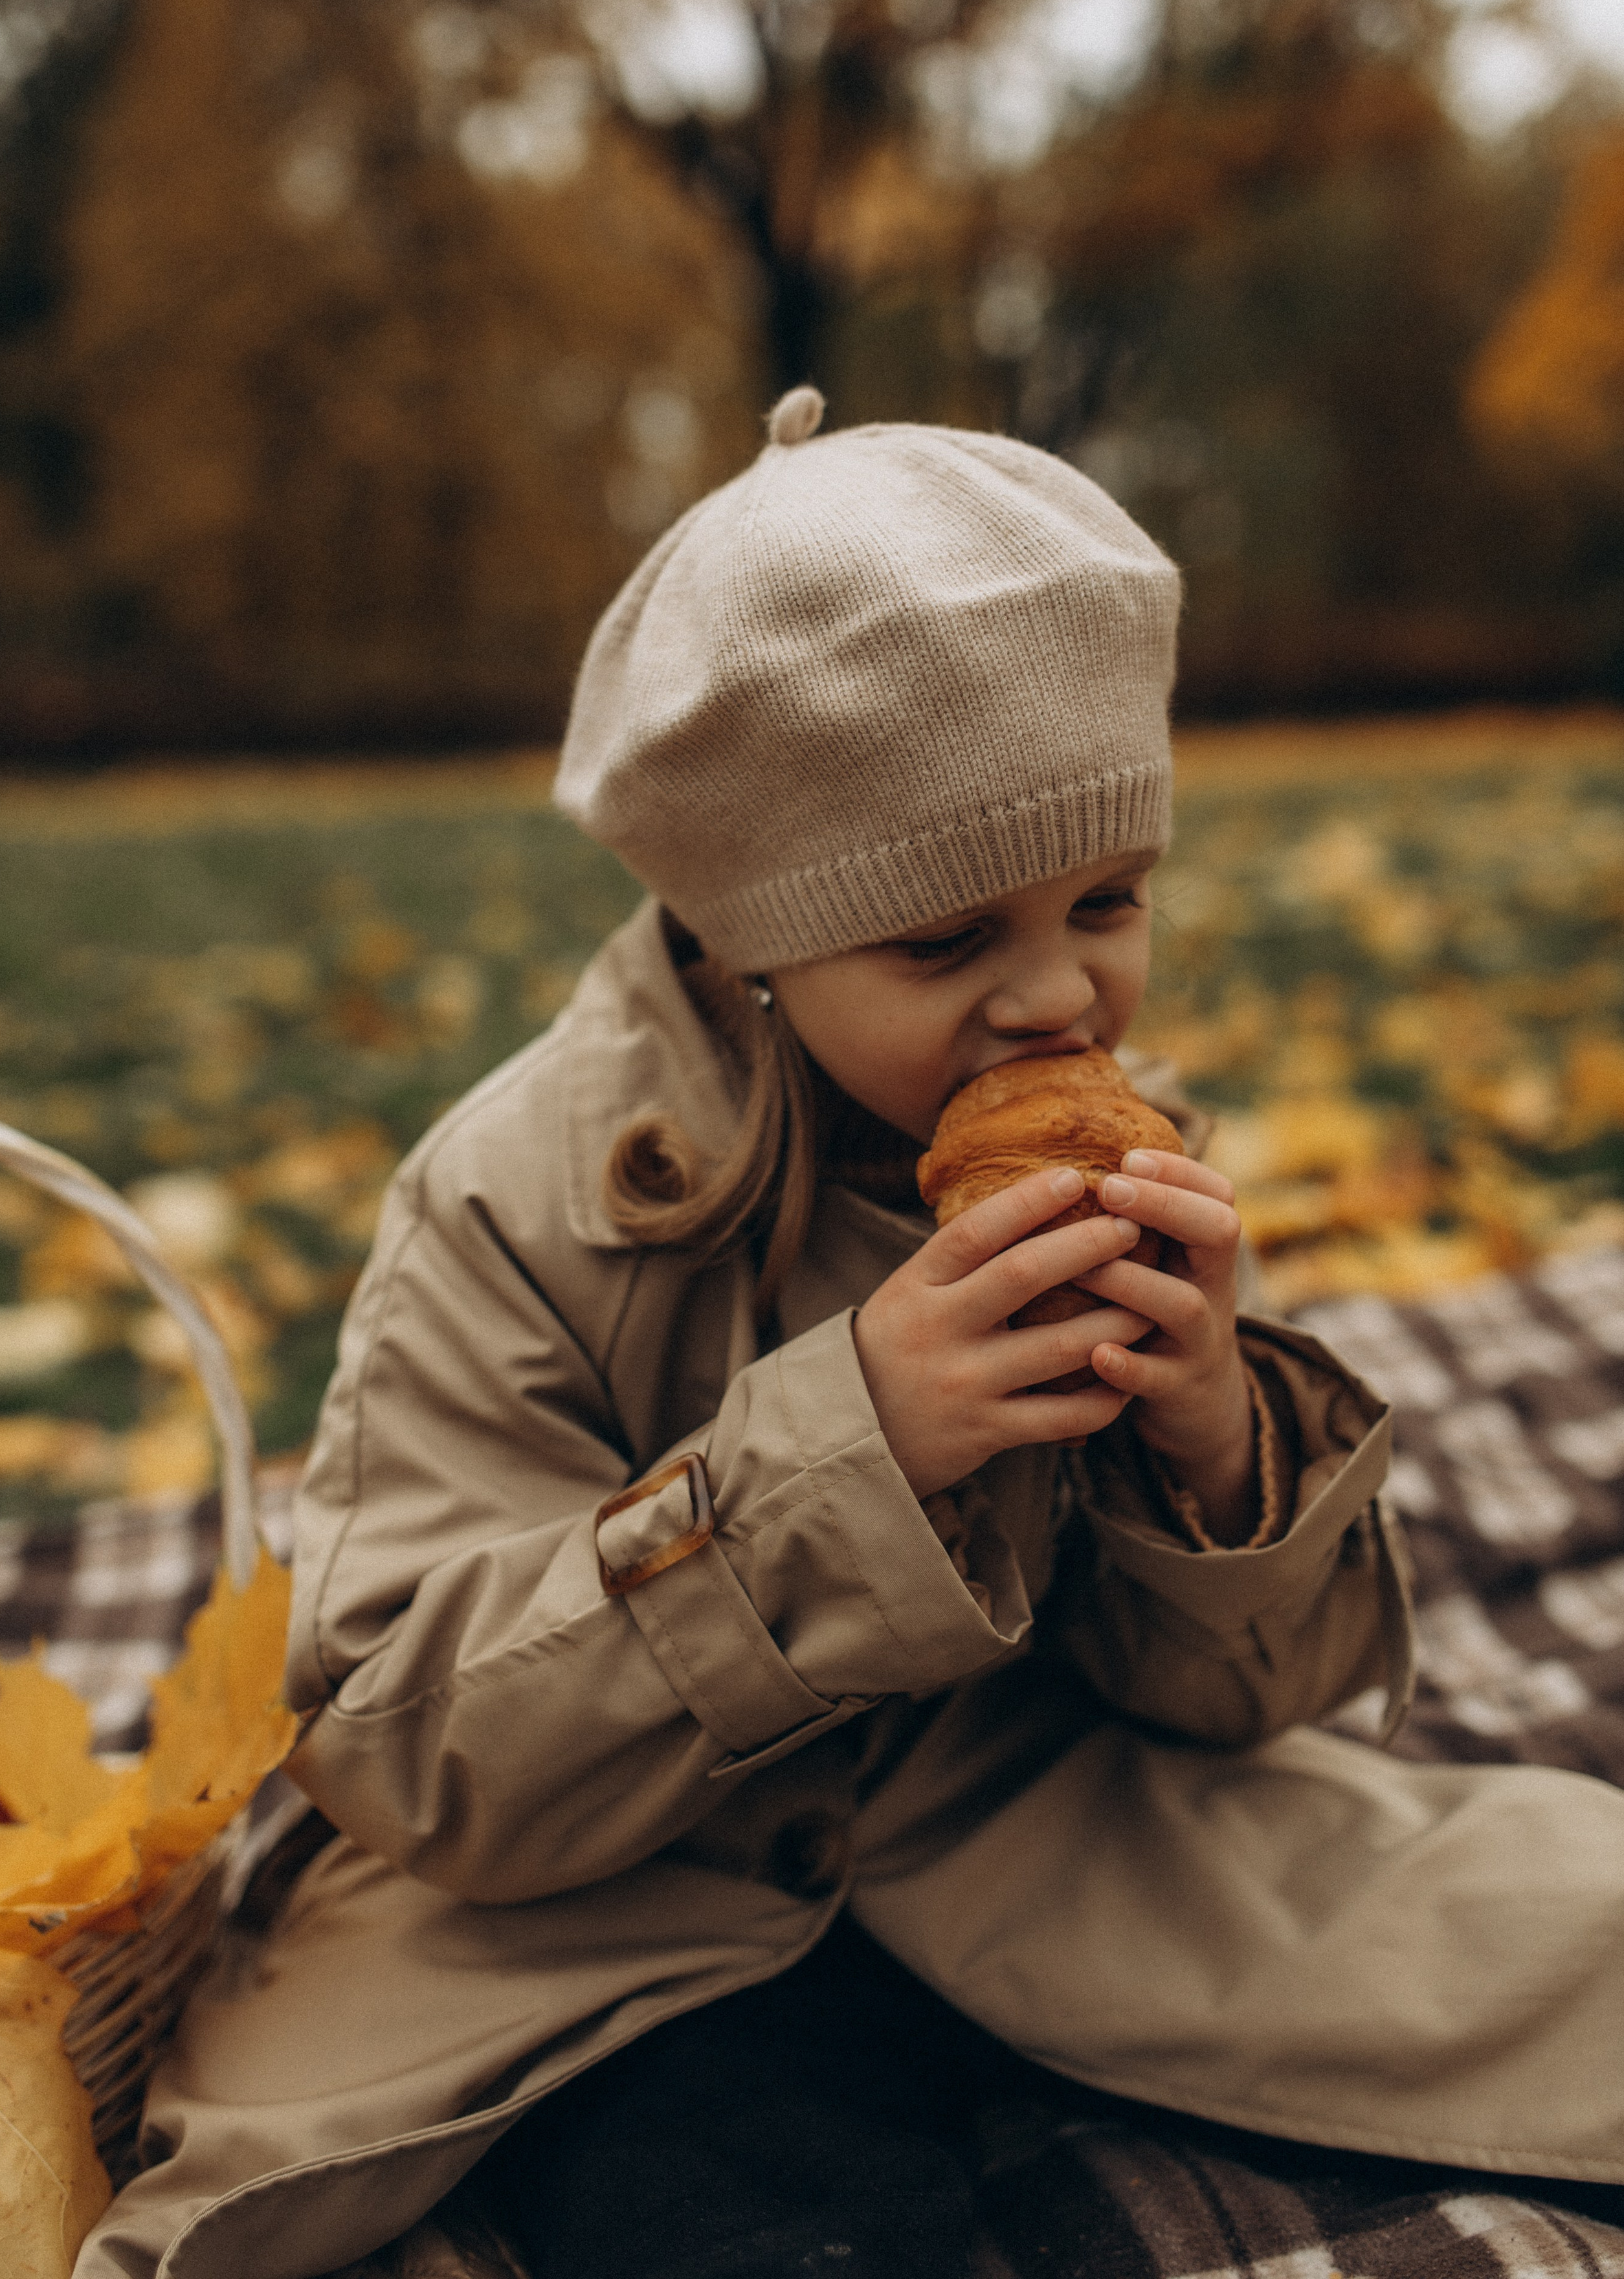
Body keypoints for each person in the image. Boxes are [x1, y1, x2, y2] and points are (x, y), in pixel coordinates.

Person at [80, 392, 1624, 2279]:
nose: (1056, 992)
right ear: (754, 936)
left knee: (1550, 1955)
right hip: (615, 1921)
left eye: (1109, 900)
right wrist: (840, 1459)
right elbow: (407, 1752)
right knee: (755, 2214)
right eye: (944, 939)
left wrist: (1217, 1442)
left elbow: (1242, 1705)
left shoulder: (1109, 1152)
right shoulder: (512, 1201)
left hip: (1058, 1843)